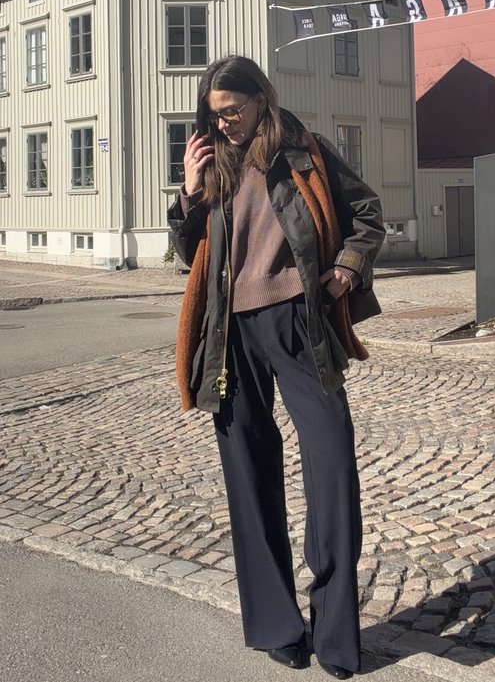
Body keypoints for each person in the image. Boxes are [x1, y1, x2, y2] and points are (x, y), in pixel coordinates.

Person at [167, 55, 385, 679]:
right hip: (230, 334)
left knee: (333, 462)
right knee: (247, 469)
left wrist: (345, 269)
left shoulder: (303, 150)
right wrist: (187, 190)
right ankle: (276, 625)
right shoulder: (217, 164)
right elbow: (188, 254)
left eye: (233, 111)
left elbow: (366, 213)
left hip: (298, 324)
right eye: (215, 116)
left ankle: (337, 636)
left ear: (262, 98)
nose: (226, 124)